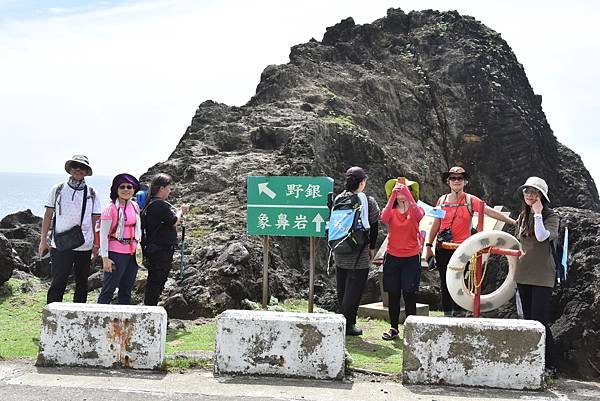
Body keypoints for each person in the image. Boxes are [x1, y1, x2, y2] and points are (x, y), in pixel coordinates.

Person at [424, 166, 517, 317]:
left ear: (465, 181)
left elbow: (489, 211)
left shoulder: (470, 200)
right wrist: (428, 246)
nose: (456, 181)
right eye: (453, 178)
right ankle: (448, 314)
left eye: (459, 178)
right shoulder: (442, 200)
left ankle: (459, 313)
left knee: (462, 281)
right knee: (445, 281)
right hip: (443, 246)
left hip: (462, 249)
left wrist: (513, 222)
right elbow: (436, 223)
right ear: (448, 181)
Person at [38, 155, 101, 304]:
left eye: (82, 167)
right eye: (75, 166)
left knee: (82, 283)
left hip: (85, 244)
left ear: (86, 171)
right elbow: (48, 215)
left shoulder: (92, 192)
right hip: (60, 243)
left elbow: (96, 220)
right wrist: (43, 241)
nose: (78, 170)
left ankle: (79, 315)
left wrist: (96, 244)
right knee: (58, 281)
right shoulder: (58, 189)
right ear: (70, 169)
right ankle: (53, 314)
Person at [514, 176, 559, 367]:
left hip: (542, 275)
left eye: (534, 192)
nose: (530, 195)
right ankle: (532, 361)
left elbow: (542, 237)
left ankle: (549, 364)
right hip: (523, 273)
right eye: (527, 191)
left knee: (540, 321)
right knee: (528, 319)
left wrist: (539, 213)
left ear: (541, 195)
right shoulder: (522, 217)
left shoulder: (551, 216)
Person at [333, 166, 379, 336]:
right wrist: (372, 247)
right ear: (361, 182)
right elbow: (374, 226)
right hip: (358, 252)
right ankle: (349, 324)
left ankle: (341, 321)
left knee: (342, 287)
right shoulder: (367, 201)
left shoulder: (339, 198)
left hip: (339, 248)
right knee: (355, 289)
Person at [380, 179, 425, 340]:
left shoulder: (415, 209)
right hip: (392, 257)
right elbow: (384, 218)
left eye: (404, 191)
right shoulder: (391, 211)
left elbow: (419, 216)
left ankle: (410, 327)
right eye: (397, 191)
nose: (401, 193)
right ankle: (393, 327)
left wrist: (408, 194)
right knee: (393, 293)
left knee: (409, 293)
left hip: (411, 258)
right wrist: (392, 196)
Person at [142, 173, 189, 306]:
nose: (170, 190)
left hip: (154, 248)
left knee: (155, 281)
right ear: (161, 188)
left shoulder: (150, 204)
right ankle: (151, 310)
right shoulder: (159, 205)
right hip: (161, 250)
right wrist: (181, 211)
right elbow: (173, 221)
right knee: (157, 281)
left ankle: (151, 309)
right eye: (169, 187)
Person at [97, 173, 141, 304]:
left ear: (134, 190)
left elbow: (137, 229)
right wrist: (105, 258)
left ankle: (124, 322)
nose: (126, 190)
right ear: (116, 189)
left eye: (129, 187)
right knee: (108, 290)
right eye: (122, 187)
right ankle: (99, 318)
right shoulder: (109, 209)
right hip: (115, 253)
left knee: (127, 289)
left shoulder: (135, 206)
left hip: (132, 253)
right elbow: (103, 235)